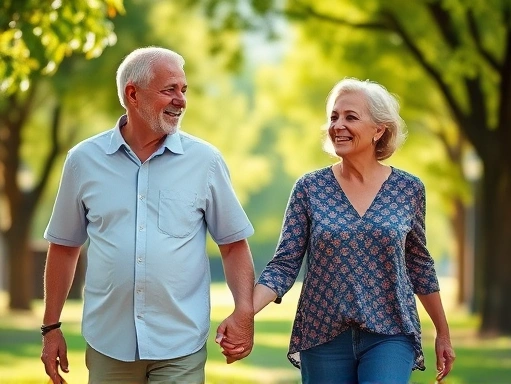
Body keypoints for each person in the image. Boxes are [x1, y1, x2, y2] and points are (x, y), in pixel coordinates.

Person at [40, 46, 255, 384]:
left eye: (184, 90)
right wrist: (51, 327)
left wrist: (244, 310)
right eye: (169, 89)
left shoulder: (206, 161)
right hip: (108, 343)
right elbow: (64, 248)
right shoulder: (83, 160)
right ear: (132, 94)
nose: (181, 100)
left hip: (180, 343)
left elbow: (233, 245)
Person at [253, 78, 456, 384]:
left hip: (391, 332)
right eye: (334, 117)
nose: (338, 125)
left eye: (351, 117)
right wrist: (245, 313)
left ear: (379, 129)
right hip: (322, 335)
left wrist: (443, 332)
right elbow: (284, 265)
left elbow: (419, 264)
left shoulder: (408, 189)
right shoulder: (309, 188)